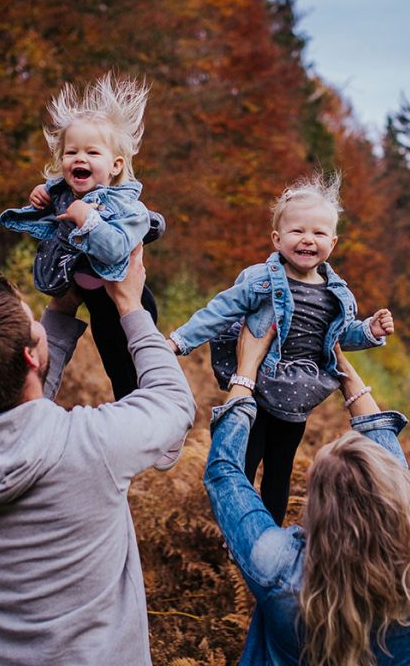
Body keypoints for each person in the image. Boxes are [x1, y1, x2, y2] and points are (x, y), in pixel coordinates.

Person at [0, 247, 195, 665]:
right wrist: (131, 305)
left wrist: (62, 306)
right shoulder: (91, 445)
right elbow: (174, 402)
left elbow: (17, 402)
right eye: (33, 321)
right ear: (31, 355)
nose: (38, 321)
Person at [204, 324, 410, 666]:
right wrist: (340, 365)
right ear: (393, 499)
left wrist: (245, 371)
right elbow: (388, 456)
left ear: (320, 510)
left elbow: (225, 475)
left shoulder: (278, 565)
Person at [169, 173, 395, 521]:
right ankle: (239, 525)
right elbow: (220, 310)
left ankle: (270, 527)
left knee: (280, 469)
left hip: (298, 400)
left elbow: (338, 337)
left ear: (332, 243)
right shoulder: (261, 280)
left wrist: (369, 331)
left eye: (318, 233)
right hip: (257, 390)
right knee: (246, 461)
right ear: (277, 239)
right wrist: (179, 341)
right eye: (297, 231)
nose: (308, 240)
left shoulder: (337, 295)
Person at [0, 73, 167, 406]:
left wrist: (87, 219)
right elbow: (52, 195)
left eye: (92, 152)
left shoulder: (124, 206)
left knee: (130, 371)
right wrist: (41, 193)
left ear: (116, 165)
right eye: (71, 152)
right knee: (109, 367)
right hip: (94, 304)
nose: (80, 159)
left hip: (128, 305)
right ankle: (31, 408)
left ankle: (155, 422)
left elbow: (116, 246)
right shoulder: (64, 194)